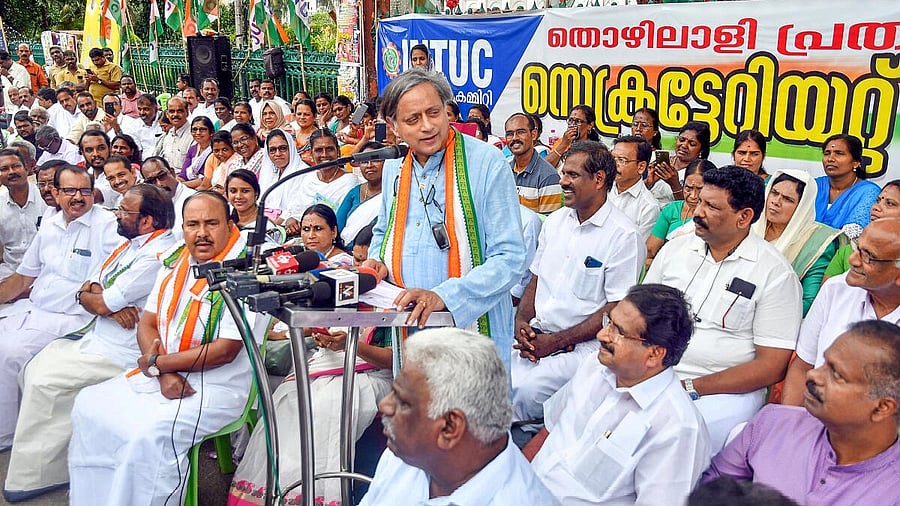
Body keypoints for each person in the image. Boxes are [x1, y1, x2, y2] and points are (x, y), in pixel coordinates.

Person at [67, 191, 256, 506]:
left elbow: (225, 351)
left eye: (212, 223)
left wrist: (159, 365)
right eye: (193, 224)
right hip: (162, 373)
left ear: (228, 224)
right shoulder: (175, 260)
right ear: (182, 227)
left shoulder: (244, 271)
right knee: (89, 406)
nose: (202, 233)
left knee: (145, 436)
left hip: (216, 387)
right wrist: (161, 372)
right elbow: (147, 323)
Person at [2, 184, 175, 501]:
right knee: (32, 368)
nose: (117, 215)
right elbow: (92, 284)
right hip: (98, 335)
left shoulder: (156, 255)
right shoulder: (130, 244)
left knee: (45, 382)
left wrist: (99, 302)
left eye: (124, 211)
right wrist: (93, 299)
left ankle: (42, 473)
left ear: (148, 221)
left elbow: (104, 300)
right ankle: (54, 459)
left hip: (123, 350)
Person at [362, 69, 525, 367]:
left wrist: (445, 296)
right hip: (409, 325)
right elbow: (384, 230)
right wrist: (378, 260)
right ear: (393, 126)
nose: (427, 126)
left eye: (434, 112)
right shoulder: (394, 166)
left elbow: (511, 257)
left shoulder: (487, 163)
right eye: (413, 119)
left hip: (472, 328)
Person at [643, 166, 803, 452]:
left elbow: (771, 365)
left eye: (711, 206)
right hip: (653, 370)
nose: (697, 212)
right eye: (700, 201)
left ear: (744, 217)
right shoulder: (675, 250)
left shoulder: (775, 274)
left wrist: (691, 387)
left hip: (721, 392)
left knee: (671, 437)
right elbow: (639, 315)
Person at [524, 284, 710, 505]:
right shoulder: (594, 366)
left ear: (654, 354)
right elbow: (548, 431)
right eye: (608, 322)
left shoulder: (677, 428)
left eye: (618, 332)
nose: (602, 335)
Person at [511, 141, 644, 428]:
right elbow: (536, 278)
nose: (563, 181)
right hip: (536, 338)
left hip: (582, 348)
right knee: (489, 377)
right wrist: (521, 320)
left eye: (572, 175)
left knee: (523, 393)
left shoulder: (624, 236)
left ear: (598, 180)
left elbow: (615, 308)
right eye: (563, 173)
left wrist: (557, 342)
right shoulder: (555, 222)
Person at [703, 321, 900, 505]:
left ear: (882, 407)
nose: (813, 374)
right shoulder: (773, 423)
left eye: (837, 375)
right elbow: (712, 489)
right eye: (824, 364)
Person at [360, 328, 560, 506]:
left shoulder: (518, 499)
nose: (384, 405)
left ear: (449, 428)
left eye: (402, 400)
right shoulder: (406, 455)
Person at [0, 165, 119, 451]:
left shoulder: (106, 225)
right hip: (35, 311)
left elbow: (116, 277)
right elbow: (23, 277)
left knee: (7, 352)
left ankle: (6, 436)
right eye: (70, 191)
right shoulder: (51, 223)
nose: (78, 197)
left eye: (85, 191)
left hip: (74, 320)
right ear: (54, 192)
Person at [229, 323, 393, 505]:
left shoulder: (401, 304)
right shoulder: (352, 298)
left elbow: (396, 359)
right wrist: (327, 339)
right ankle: (279, 489)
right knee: (289, 398)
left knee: (325, 406)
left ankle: (312, 494)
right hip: (337, 364)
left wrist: (351, 345)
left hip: (378, 374)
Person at [780, 217, 900, 405]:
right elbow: (803, 367)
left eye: (868, 256)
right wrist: (791, 423)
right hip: (814, 418)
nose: (852, 259)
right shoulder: (836, 288)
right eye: (856, 248)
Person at [751, 169, 846, 315]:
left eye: (787, 199)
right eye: (774, 193)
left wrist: (757, 311)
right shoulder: (750, 224)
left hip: (777, 320)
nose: (776, 202)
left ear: (803, 206)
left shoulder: (817, 242)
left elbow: (809, 302)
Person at [645, 159, 716, 272]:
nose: (693, 195)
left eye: (700, 189)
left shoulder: (716, 217)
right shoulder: (672, 210)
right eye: (688, 188)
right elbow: (650, 251)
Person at [283, 128, 356, 233]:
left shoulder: (351, 182)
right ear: (311, 154)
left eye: (330, 149)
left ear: (338, 152)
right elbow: (295, 212)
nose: (324, 155)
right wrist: (291, 221)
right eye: (318, 150)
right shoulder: (309, 179)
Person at [824, 180, 900, 278]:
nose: (876, 207)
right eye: (878, 201)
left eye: (889, 203)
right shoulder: (849, 251)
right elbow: (829, 291)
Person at [814, 133, 881, 239]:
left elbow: (850, 236)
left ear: (855, 163)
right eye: (827, 153)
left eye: (839, 153)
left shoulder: (869, 192)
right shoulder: (814, 186)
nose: (830, 159)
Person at [0, 149, 47, 282]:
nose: (11, 172)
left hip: (44, 269)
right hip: (10, 270)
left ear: (27, 169)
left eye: (16, 166)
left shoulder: (46, 198)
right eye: (4, 169)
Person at [506, 112, 562, 215]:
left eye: (520, 132)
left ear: (533, 135)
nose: (514, 138)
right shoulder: (504, 169)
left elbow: (548, 225)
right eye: (509, 134)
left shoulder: (549, 177)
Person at [645, 121, 710, 207]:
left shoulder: (701, 172)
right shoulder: (656, 159)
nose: (684, 145)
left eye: (692, 144)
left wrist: (675, 185)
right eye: (681, 140)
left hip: (673, 218)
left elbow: (691, 208)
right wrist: (649, 182)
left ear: (701, 150)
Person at [609, 135, 660, 239]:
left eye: (622, 160)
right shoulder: (599, 188)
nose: (614, 165)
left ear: (641, 167)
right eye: (612, 158)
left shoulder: (649, 207)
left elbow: (638, 248)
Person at [337, 141, 384, 246]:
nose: (369, 165)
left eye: (376, 160)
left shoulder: (393, 193)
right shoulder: (354, 193)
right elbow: (336, 227)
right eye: (364, 161)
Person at [141, 156, 196, 239]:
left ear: (172, 173)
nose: (159, 184)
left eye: (162, 176)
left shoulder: (195, 200)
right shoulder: (150, 205)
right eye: (151, 181)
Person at [256, 128, 305, 217]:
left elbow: (296, 208)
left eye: (282, 148)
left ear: (291, 148)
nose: (278, 154)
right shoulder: (270, 172)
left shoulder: (303, 172)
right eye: (273, 150)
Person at [153, 96, 192, 170]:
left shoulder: (194, 135)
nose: (175, 115)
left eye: (179, 111)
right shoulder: (168, 135)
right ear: (167, 114)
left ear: (187, 112)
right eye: (172, 111)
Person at [179, 116, 213, 189]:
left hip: (205, 188)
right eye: (194, 129)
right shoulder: (192, 149)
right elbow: (183, 175)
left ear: (211, 132)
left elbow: (207, 179)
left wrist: (183, 185)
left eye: (202, 129)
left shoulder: (215, 150)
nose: (198, 133)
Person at [293, 98, 318, 164]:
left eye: (306, 114)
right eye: (299, 114)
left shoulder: (320, 136)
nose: (302, 117)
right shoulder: (292, 135)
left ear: (315, 116)